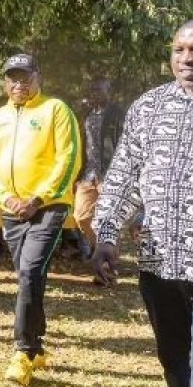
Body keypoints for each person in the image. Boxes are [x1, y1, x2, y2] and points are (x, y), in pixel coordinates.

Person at [92, 18, 193, 387]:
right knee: (174, 359)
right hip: (158, 261)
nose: (187, 59)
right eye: (179, 50)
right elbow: (123, 176)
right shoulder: (150, 106)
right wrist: (106, 236)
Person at [0, 53, 81, 386]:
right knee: (29, 278)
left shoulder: (56, 110)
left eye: (24, 77)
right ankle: (37, 347)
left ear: (38, 76)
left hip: (48, 207)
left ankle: (22, 352)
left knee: (29, 272)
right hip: (12, 209)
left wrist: (37, 198)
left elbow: (68, 160)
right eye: (12, 77)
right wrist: (6, 197)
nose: (18, 84)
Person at [74, 78, 124, 261]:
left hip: (110, 174)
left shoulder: (118, 114)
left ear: (109, 90)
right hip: (88, 174)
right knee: (81, 216)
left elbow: (124, 145)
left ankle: (107, 268)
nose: (94, 93)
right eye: (92, 90)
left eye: (99, 89)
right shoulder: (86, 114)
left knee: (109, 221)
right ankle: (100, 248)